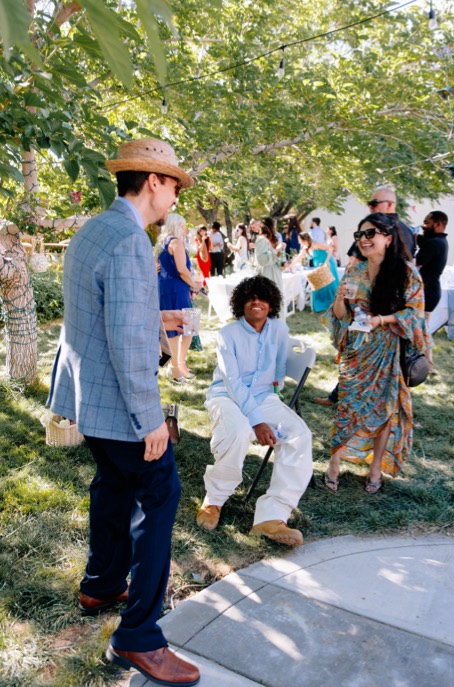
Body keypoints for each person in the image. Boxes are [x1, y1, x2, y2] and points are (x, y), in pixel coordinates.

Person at [47, 138, 200, 686]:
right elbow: (127, 339)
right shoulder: (133, 241)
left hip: (88, 398)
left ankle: (103, 583)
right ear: (154, 181)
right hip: (121, 405)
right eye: (174, 184)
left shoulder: (94, 229)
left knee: (112, 487)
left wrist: (163, 324)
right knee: (162, 496)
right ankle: (139, 637)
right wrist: (150, 417)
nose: (176, 195)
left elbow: (102, 313)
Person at [196, 276, 311, 547]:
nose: (256, 302)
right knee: (236, 431)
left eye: (262, 298)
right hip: (227, 396)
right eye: (250, 297)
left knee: (299, 434)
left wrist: (276, 391)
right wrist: (257, 421)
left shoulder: (279, 329)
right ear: (240, 304)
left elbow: (281, 365)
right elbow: (232, 382)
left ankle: (271, 517)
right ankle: (213, 500)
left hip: (263, 397)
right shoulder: (228, 334)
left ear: (271, 305)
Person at [325, 213, 432, 493]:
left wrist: (381, 320)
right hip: (356, 352)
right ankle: (334, 464)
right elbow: (341, 316)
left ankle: (375, 470)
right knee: (347, 407)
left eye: (370, 233)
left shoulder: (406, 271)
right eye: (359, 235)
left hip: (387, 351)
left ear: (388, 237)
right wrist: (339, 299)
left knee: (384, 410)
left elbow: (415, 312)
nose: (363, 240)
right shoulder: (354, 271)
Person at [157, 213, 203, 383]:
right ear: (176, 226)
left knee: (188, 327)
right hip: (175, 288)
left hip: (169, 287)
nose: (185, 229)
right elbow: (182, 269)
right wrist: (194, 284)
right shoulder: (175, 242)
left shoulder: (162, 243)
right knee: (180, 327)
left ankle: (180, 363)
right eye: (183, 225)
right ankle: (174, 368)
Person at [415, 210, 449, 316]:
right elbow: (424, 241)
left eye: (426, 223)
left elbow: (415, 264)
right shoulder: (441, 241)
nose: (423, 226)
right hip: (431, 293)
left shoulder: (433, 243)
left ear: (438, 224)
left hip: (426, 293)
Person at [307, 216, 340, 313]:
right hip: (321, 259)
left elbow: (332, 249)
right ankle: (327, 303)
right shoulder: (322, 233)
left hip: (326, 259)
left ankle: (334, 303)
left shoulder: (313, 235)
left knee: (329, 283)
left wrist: (327, 261)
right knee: (322, 283)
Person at [253, 219, 282, 293]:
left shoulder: (271, 239)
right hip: (266, 274)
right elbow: (262, 260)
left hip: (275, 273)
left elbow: (275, 257)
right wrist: (276, 250)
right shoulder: (262, 240)